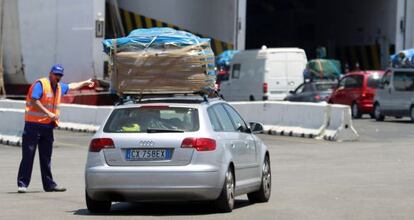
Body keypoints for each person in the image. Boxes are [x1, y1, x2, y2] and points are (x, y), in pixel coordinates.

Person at [17, 64, 95, 193]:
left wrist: (85, 82)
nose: (58, 77)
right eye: (56, 74)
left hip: (47, 127)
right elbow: (35, 100)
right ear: (50, 74)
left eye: (60, 75)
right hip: (33, 126)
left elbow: (72, 86)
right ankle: (22, 184)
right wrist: (48, 113)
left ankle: (49, 185)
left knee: (46, 157)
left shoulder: (59, 87)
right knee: (28, 156)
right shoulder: (41, 84)